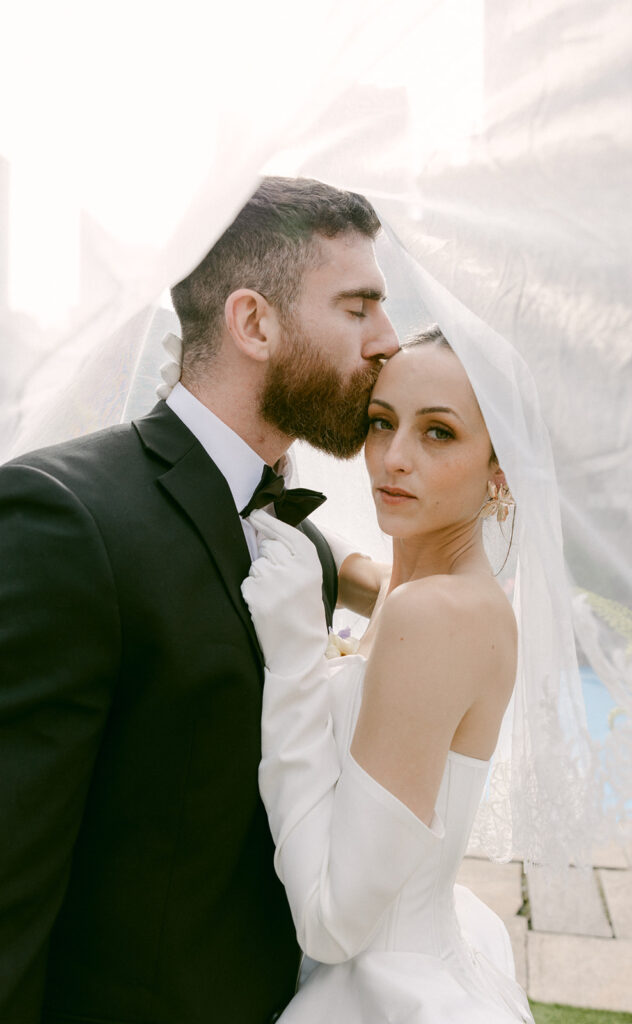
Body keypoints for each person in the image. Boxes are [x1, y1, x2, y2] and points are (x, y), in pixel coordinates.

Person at [0, 176, 398, 1024]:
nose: (388, 342)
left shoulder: (310, 553)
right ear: (254, 322)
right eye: (359, 307)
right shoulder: (63, 519)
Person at [242, 326, 535, 1022]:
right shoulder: (436, 588)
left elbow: (331, 925)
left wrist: (293, 662)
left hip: (376, 988)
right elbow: (358, 572)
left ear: (500, 469)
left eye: (439, 434)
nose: (393, 459)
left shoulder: (431, 616)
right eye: (381, 423)